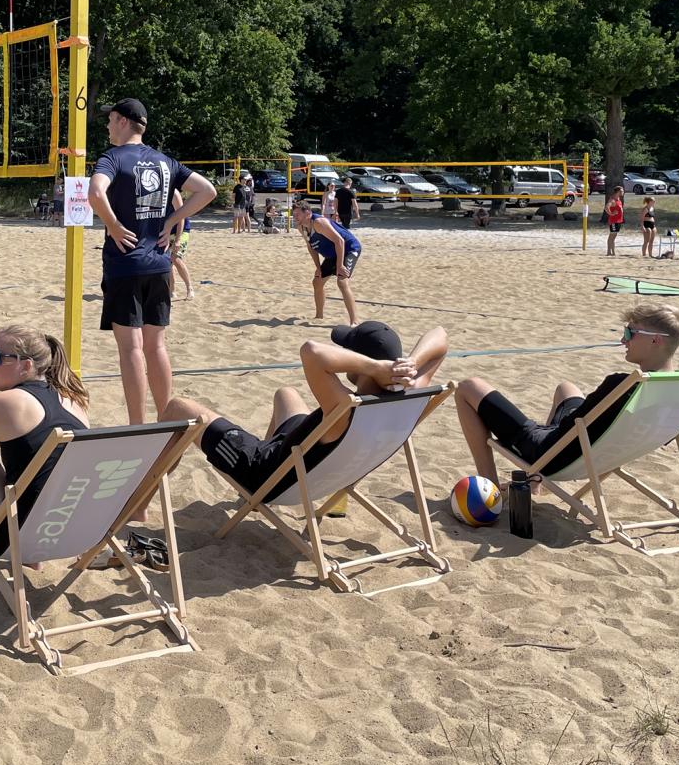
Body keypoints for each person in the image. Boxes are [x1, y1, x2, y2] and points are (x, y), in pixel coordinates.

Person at [162, 321, 448, 520]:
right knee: (285, 393)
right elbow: (441, 336)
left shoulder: (345, 409)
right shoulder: (408, 398)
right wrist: (410, 362)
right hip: (322, 471)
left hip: (267, 476)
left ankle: (140, 502)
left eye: (348, 352)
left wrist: (374, 367)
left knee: (178, 407)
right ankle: (256, 492)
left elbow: (311, 351)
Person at [454, 302, 679, 487]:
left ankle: (490, 486)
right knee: (566, 388)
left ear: (655, 340)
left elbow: (574, 427)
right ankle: (535, 483)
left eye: (630, 333)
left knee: (468, 386)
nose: (623, 340)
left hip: (552, 454)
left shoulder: (622, 385)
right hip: (600, 455)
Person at [89, 97, 215, 424]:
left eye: (110, 119)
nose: (107, 126)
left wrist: (113, 225)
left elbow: (95, 193)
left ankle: (137, 426)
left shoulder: (113, 158)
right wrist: (173, 220)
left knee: (131, 349)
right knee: (156, 347)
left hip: (125, 264)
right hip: (159, 265)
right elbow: (207, 191)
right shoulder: (164, 161)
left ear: (122, 121)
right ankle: (166, 419)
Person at [0, 324, 91, 569]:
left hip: (16, 538)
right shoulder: (73, 401)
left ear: (26, 366)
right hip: (73, 533)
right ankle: (33, 561)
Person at [291, 199, 362, 327]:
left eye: (297, 214)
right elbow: (310, 246)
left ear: (307, 213)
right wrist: (318, 267)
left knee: (342, 282)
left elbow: (340, 241)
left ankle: (354, 321)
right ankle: (319, 316)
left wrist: (340, 266)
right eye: (294, 214)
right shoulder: (301, 227)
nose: (295, 217)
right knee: (317, 281)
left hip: (349, 248)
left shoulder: (318, 223)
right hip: (333, 253)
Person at [167, 188, 195, 301]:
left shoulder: (173, 193)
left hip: (182, 230)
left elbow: (181, 219)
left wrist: (178, 240)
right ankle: (172, 291)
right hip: (167, 231)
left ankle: (189, 288)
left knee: (175, 258)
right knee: (168, 261)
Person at [604, 186, 625, 257]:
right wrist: (611, 214)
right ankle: (608, 251)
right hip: (613, 221)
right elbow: (606, 207)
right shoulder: (612, 200)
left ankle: (613, 252)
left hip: (618, 220)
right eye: (622, 191)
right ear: (618, 192)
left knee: (614, 236)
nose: (623, 192)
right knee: (612, 236)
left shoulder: (618, 199)